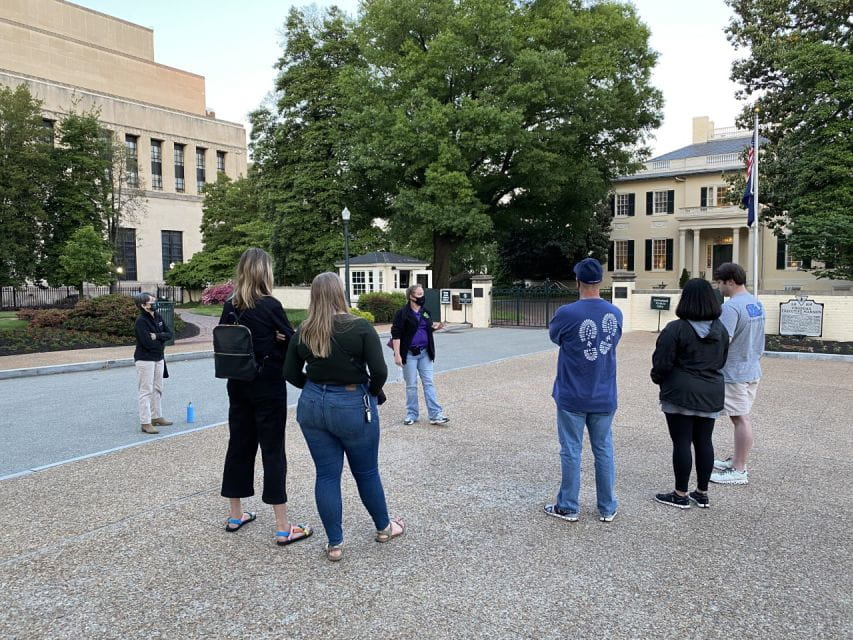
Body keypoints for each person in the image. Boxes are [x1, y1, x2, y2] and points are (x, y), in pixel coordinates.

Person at [286, 272, 403, 561]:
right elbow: (380, 372)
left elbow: (289, 373)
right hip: (351, 402)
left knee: (326, 475)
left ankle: (335, 543)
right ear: (341, 293)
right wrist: (372, 393)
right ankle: (383, 527)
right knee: (366, 471)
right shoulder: (360, 327)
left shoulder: (304, 330)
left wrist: (313, 389)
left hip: (312, 404)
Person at [218, 248, 312, 546]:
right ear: (264, 272)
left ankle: (236, 514)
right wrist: (278, 340)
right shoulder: (270, 305)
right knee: (272, 450)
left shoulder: (230, 306)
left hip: (237, 382)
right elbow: (294, 342)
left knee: (239, 446)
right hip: (267, 385)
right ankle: (283, 526)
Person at [545, 257, 623, 523]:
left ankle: (568, 505)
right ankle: (607, 506)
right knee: (603, 449)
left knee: (571, 449)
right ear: (600, 281)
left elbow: (556, 337)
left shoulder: (567, 313)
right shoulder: (616, 313)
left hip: (572, 392)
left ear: (578, 281)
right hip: (603, 391)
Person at [651, 279, 729, 509]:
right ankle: (702, 492)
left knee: (682, 442)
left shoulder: (676, 328)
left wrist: (659, 379)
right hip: (711, 391)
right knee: (704, 441)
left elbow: (662, 362)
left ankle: (680, 493)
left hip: (680, 392)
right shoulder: (720, 329)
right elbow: (722, 360)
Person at [710, 262, 765, 485]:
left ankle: (739, 469)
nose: (719, 287)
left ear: (730, 281)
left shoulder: (731, 308)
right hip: (752, 367)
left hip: (735, 371)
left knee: (740, 419)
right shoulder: (756, 303)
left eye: (720, 283)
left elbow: (724, 341)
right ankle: (736, 461)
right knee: (742, 417)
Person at [391, 284, 449, 426]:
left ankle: (435, 414)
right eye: (418, 294)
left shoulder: (425, 312)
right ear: (411, 296)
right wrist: (397, 355)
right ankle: (412, 414)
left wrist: (436, 327)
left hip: (425, 353)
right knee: (411, 385)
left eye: (422, 293)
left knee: (429, 383)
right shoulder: (402, 313)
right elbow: (396, 334)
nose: (421, 297)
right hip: (409, 354)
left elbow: (426, 329)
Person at [133, 292, 173, 435]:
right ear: (143, 305)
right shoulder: (141, 321)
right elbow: (147, 343)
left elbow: (170, 334)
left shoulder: (157, 316)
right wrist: (159, 339)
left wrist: (157, 336)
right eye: (151, 302)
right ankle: (145, 422)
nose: (155, 303)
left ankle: (157, 416)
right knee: (146, 391)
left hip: (159, 357)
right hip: (145, 359)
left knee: (158, 388)